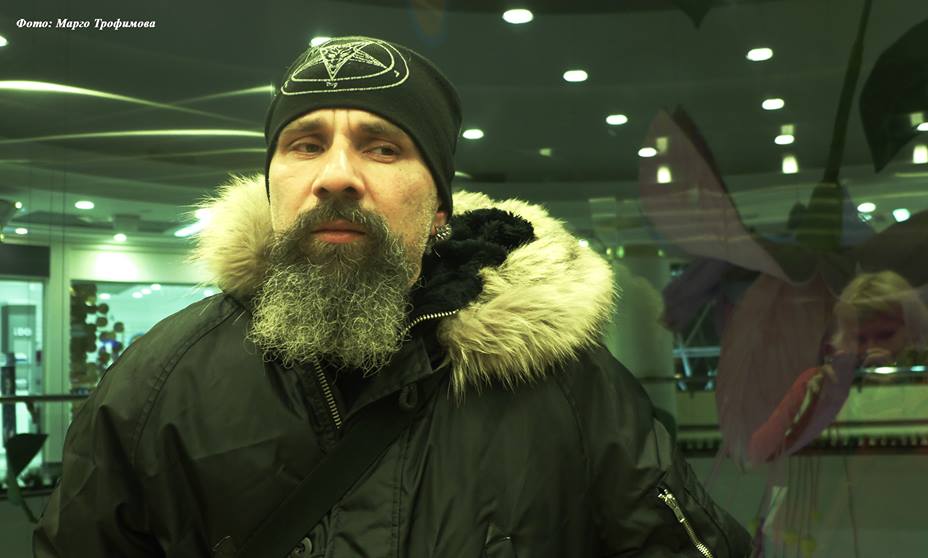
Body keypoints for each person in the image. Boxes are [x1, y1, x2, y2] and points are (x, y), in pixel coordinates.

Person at [34, 36, 751, 557]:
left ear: (439, 208)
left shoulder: (569, 387)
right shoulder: (154, 389)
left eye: (383, 147)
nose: (337, 176)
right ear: (273, 185)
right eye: (305, 144)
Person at [747, 270, 928, 464]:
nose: (871, 349)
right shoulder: (818, 384)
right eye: (859, 339)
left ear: (914, 332)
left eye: (885, 335)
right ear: (843, 338)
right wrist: (824, 404)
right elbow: (760, 454)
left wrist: (902, 394)